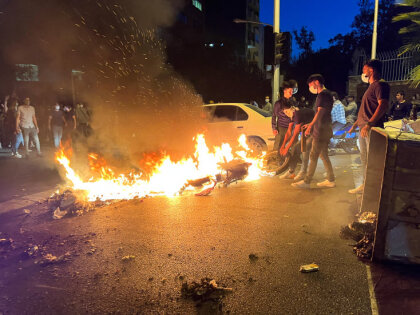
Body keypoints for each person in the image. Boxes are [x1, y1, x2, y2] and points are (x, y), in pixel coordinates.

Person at [348, 59, 390, 194]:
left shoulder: (380, 85)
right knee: (365, 159)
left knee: (372, 160)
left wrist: (369, 124)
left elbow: (383, 105)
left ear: (371, 70)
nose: (363, 72)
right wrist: (356, 124)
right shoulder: (371, 87)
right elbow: (366, 109)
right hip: (364, 127)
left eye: (364, 69)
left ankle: (373, 189)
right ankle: (366, 186)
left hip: (371, 129)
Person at [292, 74, 335, 189]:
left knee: (313, 155)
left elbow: (320, 112)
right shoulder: (327, 94)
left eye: (310, 84)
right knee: (324, 155)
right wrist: (310, 124)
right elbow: (320, 113)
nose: (310, 87)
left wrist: (311, 125)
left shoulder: (322, 94)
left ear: (316, 82)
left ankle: (306, 181)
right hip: (324, 129)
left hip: (321, 131)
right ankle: (331, 180)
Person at [278, 104, 315, 180]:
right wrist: (283, 146)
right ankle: (291, 172)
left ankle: (303, 173)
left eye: (287, 111)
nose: (286, 113)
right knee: (295, 149)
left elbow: (295, 134)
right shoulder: (292, 116)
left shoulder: (297, 114)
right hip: (306, 131)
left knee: (304, 150)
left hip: (316, 130)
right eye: (284, 112)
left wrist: (287, 148)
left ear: (292, 109)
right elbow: (289, 132)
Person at [272, 80, 297, 161]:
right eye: (290, 91)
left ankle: (293, 161)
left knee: (293, 144)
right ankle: (278, 161)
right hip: (281, 128)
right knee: (279, 145)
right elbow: (274, 116)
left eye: (292, 91)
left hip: (292, 127)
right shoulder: (278, 103)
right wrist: (274, 128)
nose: (291, 93)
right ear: (285, 91)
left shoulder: (293, 102)